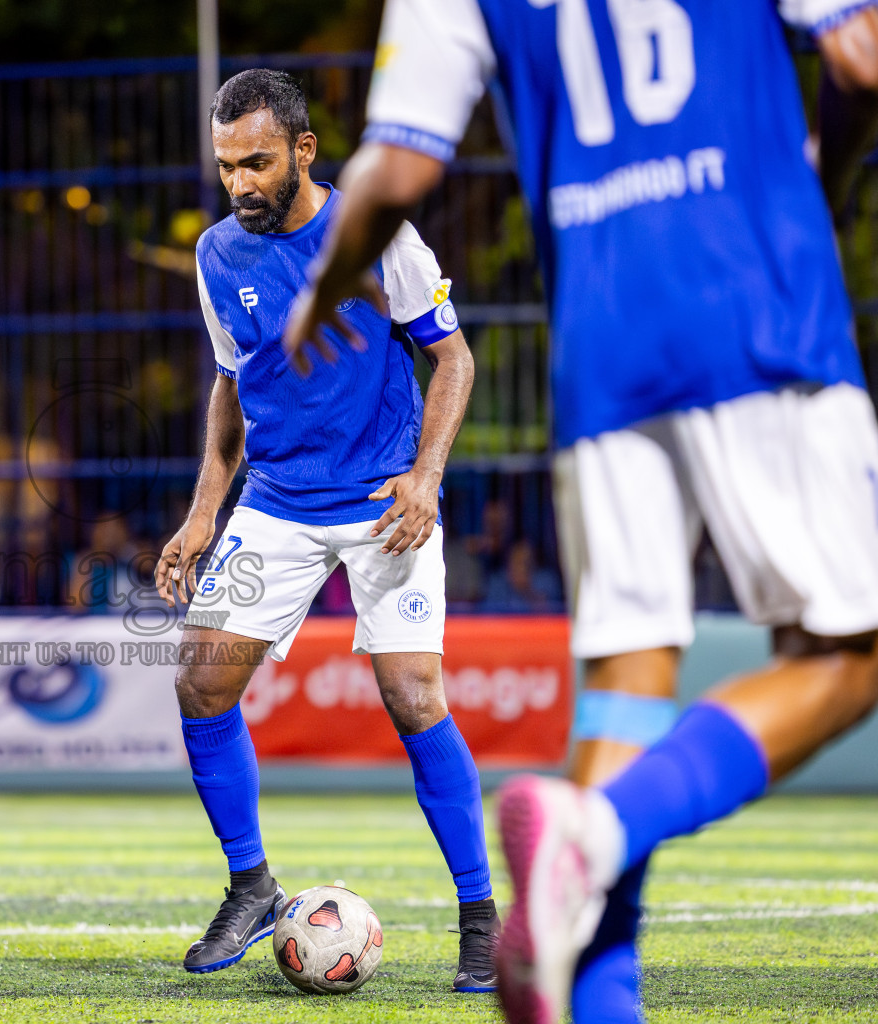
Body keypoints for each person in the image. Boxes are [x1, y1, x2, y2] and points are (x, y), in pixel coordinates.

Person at [286, 4, 878, 1023]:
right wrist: (822, 179)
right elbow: (861, 58)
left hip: (601, 340)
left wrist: (327, 284)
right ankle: (601, 829)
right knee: (852, 650)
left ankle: (597, 981)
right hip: (759, 296)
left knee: (630, 678)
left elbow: (398, 168)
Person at [156, 69, 498, 991]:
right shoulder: (217, 254)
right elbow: (231, 382)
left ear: (303, 151)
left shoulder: (378, 239)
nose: (239, 184)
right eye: (227, 166)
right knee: (199, 681)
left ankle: (480, 919)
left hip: (385, 501)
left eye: (257, 163)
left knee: (413, 698)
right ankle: (251, 885)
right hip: (276, 500)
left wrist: (426, 477)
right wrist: (201, 513)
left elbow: (453, 358)